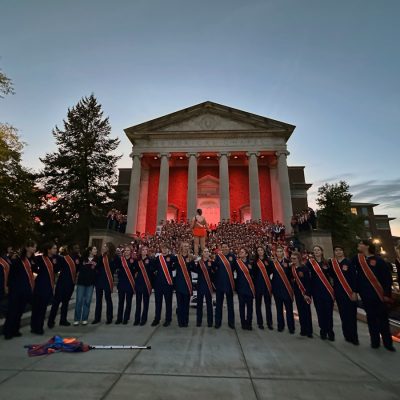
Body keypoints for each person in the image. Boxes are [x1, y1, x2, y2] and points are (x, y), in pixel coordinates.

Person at [353, 239, 395, 351]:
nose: (358, 245)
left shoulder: (379, 261)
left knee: (383, 320)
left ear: (367, 246)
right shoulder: (357, 260)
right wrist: (356, 291)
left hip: (379, 295)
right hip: (366, 296)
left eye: (360, 243)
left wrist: (387, 294)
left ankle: (388, 343)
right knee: (371, 319)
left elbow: (387, 279)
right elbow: (355, 276)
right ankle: (375, 341)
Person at [3, 241, 36, 339]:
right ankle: (8, 331)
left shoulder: (32, 260)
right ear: (27, 248)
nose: (35, 249)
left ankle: (15, 329)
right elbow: (11, 275)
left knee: (20, 311)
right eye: (33, 247)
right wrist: (9, 287)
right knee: (12, 311)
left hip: (26, 290)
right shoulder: (18, 261)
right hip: (16, 290)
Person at [329, 245, 359, 345]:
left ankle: (354, 337)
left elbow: (354, 278)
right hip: (339, 293)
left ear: (343, 251)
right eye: (336, 250)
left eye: (340, 250)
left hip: (349, 292)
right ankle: (347, 335)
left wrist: (354, 292)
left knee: (352, 315)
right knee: (343, 315)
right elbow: (331, 276)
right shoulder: (333, 264)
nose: (338, 252)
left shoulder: (349, 262)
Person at [47, 243, 80, 328]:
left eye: (78, 248)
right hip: (61, 284)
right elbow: (56, 268)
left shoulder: (78, 259)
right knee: (56, 303)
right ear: (70, 249)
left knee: (65, 303)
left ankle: (63, 320)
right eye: (75, 248)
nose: (77, 249)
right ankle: (51, 321)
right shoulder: (63, 258)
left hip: (70, 284)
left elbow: (79, 269)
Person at [30, 242, 59, 335]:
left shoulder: (56, 259)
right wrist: (38, 271)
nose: (56, 250)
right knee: (36, 308)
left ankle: (39, 327)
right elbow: (32, 266)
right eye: (54, 248)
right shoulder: (40, 258)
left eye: (56, 248)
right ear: (48, 249)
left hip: (48, 286)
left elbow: (56, 270)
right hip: (39, 285)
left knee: (43, 308)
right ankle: (34, 326)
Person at [307, 245, 335, 341]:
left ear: (322, 251)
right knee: (320, 312)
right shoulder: (310, 263)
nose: (316, 251)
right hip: (316, 291)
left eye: (318, 250)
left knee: (328, 312)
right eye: (314, 250)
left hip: (327, 291)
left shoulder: (327, 263)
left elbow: (333, 275)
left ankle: (330, 331)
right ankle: (323, 330)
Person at [271, 246, 295, 334]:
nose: (279, 252)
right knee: (279, 309)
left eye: (281, 251)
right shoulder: (272, 263)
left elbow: (292, 276)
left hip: (287, 289)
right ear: (275, 253)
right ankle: (280, 326)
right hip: (277, 289)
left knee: (289, 310)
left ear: (283, 252)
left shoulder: (289, 262)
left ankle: (291, 327)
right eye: (277, 251)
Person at [151, 243, 176, 327]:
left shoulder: (172, 257)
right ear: (161, 249)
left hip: (168, 283)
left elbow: (175, 267)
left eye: (166, 248)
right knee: (158, 302)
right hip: (158, 284)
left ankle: (168, 319)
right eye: (163, 248)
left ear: (168, 249)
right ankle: (157, 319)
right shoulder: (158, 258)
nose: (164, 249)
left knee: (168, 302)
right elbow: (153, 268)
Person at [92, 242, 116, 325]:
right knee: (98, 300)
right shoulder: (100, 257)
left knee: (108, 299)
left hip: (107, 280)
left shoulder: (113, 257)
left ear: (109, 248)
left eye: (105, 246)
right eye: (103, 246)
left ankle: (109, 318)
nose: (103, 247)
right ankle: (97, 318)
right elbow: (97, 266)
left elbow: (115, 268)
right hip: (99, 280)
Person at [213, 243, 236, 329]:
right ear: (221, 248)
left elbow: (235, 268)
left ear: (228, 247)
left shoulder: (233, 256)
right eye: (223, 247)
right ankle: (217, 322)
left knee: (230, 305)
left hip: (229, 284)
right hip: (220, 284)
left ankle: (231, 322)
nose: (224, 248)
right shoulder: (218, 257)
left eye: (226, 247)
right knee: (219, 304)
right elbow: (214, 268)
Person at [291, 252, 313, 338]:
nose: (293, 260)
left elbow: (308, 282)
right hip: (297, 293)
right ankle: (303, 329)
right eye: (292, 259)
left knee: (307, 311)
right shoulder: (292, 268)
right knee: (300, 311)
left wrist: (307, 294)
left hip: (305, 293)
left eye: (295, 258)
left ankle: (309, 331)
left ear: (299, 259)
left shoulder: (304, 268)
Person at [74, 246, 97, 325]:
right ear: (90, 251)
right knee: (79, 301)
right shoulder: (82, 259)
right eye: (94, 249)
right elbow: (77, 268)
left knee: (87, 301)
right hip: (81, 283)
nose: (96, 251)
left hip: (90, 284)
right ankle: (76, 319)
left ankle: (84, 318)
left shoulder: (97, 259)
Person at [174, 241, 195, 327]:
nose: (186, 247)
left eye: (187, 246)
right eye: (184, 246)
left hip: (187, 284)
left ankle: (185, 321)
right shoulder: (177, 258)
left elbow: (194, 269)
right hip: (179, 283)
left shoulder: (190, 258)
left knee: (186, 305)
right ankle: (180, 322)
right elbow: (172, 267)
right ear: (181, 247)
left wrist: (191, 262)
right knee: (180, 304)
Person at [253, 246, 273, 330]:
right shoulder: (255, 262)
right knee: (258, 305)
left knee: (268, 305)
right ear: (257, 252)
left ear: (264, 251)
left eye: (261, 250)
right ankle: (260, 323)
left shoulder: (269, 261)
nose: (260, 251)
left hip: (267, 285)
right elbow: (253, 273)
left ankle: (269, 323)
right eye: (258, 250)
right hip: (258, 285)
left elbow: (272, 271)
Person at [193, 247, 215, 327]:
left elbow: (214, 273)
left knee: (209, 305)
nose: (206, 253)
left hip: (208, 286)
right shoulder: (199, 262)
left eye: (207, 251)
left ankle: (210, 322)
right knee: (199, 305)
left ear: (209, 253)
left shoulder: (211, 262)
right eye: (204, 251)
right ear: (202, 253)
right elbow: (195, 270)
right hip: (200, 286)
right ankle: (199, 322)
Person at [114, 246, 136, 324]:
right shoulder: (120, 260)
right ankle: (119, 318)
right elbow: (116, 268)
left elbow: (136, 271)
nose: (126, 251)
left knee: (128, 302)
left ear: (130, 251)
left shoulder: (133, 260)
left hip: (130, 283)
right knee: (121, 302)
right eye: (125, 250)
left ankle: (126, 318)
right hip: (122, 283)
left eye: (128, 250)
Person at [235, 247, 255, 330]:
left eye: (242, 252)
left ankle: (249, 323)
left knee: (250, 307)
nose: (240, 253)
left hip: (250, 288)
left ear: (246, 254)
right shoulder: (237, 263)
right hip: (241, 288)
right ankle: (243, 323)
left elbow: (254, 275)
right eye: (240, 252)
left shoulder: (251, 263)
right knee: (242, 307)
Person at [133, 246, 153, 326]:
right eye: (143, 250)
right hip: (138, 283)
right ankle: (137, 319)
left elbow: (152, 271)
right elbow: (134, 270)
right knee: (138, 302)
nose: (144, 251)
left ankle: (143, 319)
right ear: (140, 251)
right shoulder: (137, 261)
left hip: (146, 283)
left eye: (146, 250)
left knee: (146, 303)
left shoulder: (151, 260)